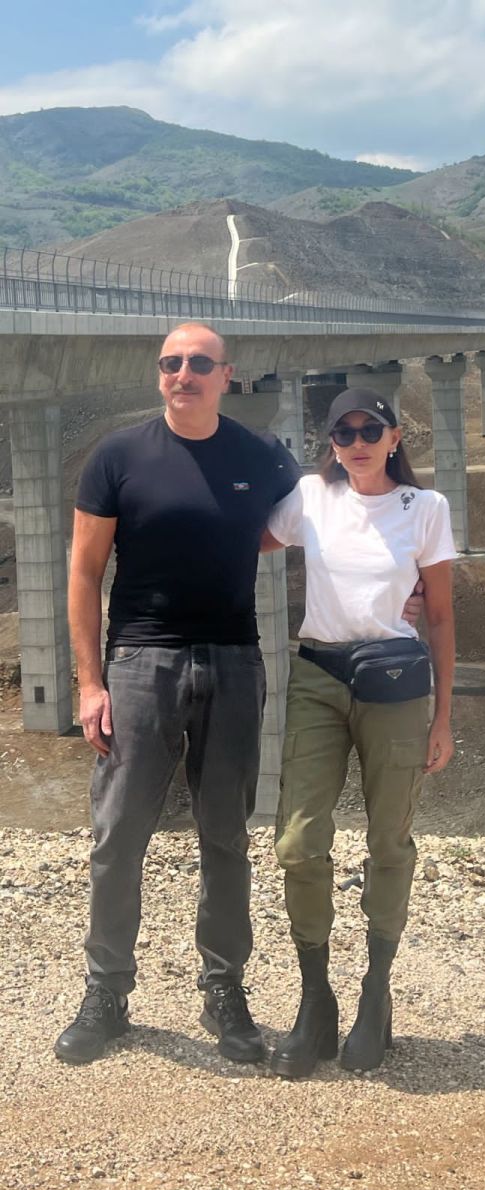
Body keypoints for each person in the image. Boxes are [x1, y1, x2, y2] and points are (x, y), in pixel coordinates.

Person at [54, 322, 303, 1066]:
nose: (182, 373)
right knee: (118, 835)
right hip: (140, 662)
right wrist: (90, 683)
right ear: (159, 373)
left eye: (198, 362)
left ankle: (224, 990)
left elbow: (312, 525)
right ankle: (106, 994)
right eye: (170, 362)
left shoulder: (262, 456)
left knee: (225, 836)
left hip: (234, 661)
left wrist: (407, 591)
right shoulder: (118, 456)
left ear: (228, 374)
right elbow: (84, 573)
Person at [262, 387, 456, 1078]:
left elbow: (440, 615)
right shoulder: (310, 497)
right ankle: (316, 999)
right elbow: (243, 540)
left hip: (396, 683)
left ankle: (376, 993)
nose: (357, 443)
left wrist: (444, 716)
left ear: (395, 437)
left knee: (388, 840)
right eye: (343, 433)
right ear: (332, 444)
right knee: (297, 841)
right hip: (318, 676)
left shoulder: (425, 508)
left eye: (370, 430)